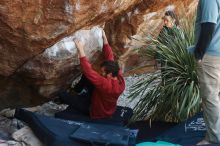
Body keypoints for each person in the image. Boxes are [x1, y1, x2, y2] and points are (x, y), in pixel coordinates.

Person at [58, 30, 125, 119]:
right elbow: (110, 57)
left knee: (62, 95)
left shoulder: (106, 85)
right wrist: (104, 38)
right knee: (87, 77)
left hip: (95, 110)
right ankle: (76, 91)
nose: (101, 73)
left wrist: (80, 49)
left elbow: (88, 71)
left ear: (110, 74)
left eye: (104, 72)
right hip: (102, 100)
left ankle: (73, 97)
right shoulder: (119, 77)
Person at [193, 0, 220, 145]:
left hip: (211, 55)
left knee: (210, 97)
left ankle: (213, 138)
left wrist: (199, 53)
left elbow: (209, 26)